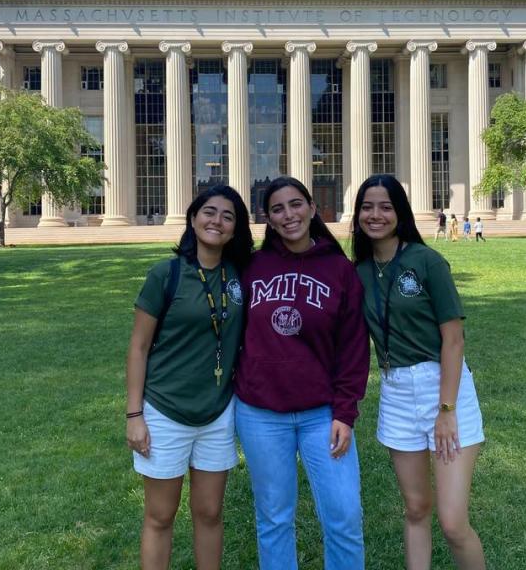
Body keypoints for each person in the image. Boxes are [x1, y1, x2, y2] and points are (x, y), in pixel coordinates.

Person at [235, 176, 370, 570]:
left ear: (312, 208)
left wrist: (345, 412)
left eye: (296, 204)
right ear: (269, 219)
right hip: (260, 414)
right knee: (274, 518)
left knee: (343, 516)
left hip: (322, 415)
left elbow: (354, 347)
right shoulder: (254, 267)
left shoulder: (340, 270)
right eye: (277, 208)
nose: (288, 214)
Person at [352, 174, 486, 570]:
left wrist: (446, 411)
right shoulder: (357, 272)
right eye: (367, 207)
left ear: (400, 212)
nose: (375, 215)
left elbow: (454, 341)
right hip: (395, 392)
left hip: (442, 388)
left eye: (385, 207)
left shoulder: (427, 262)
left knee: (453, 522)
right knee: (414, 509)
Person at [126, 185, 254, 570]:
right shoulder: (166, 274)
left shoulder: (240, 276)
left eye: (228, 216)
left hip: (217, 412)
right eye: (209, 212)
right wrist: (134, 416)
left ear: (236, 228)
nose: (217, 221)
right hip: (165, 411)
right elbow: (138, 348)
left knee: (210, 513)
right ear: (193, 217)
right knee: (160, 516)